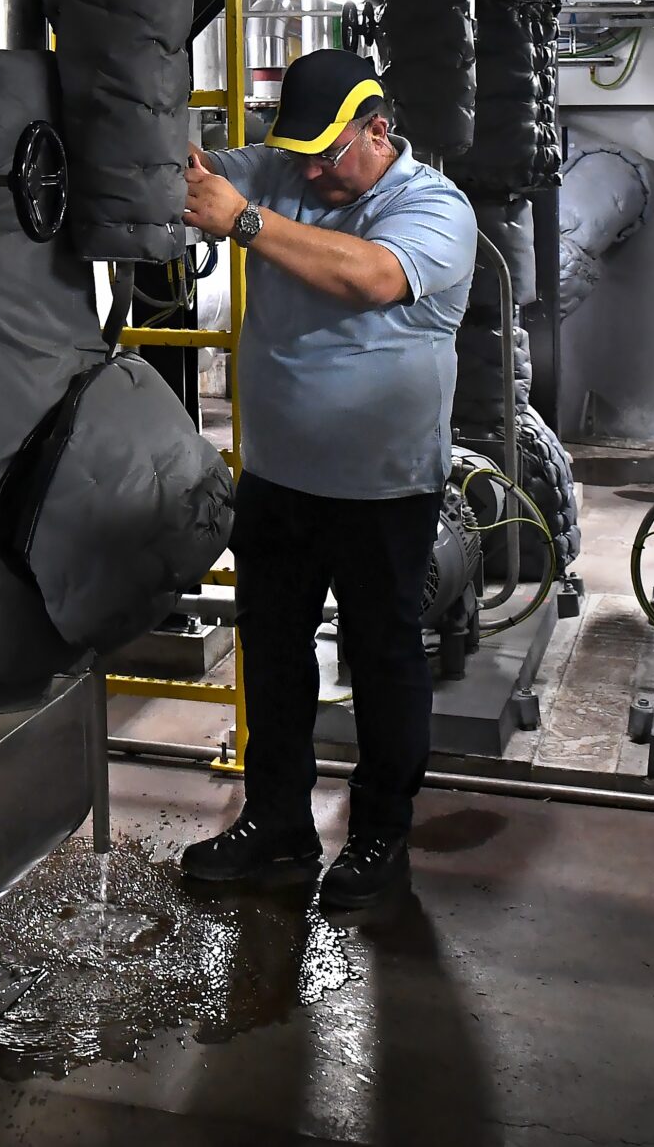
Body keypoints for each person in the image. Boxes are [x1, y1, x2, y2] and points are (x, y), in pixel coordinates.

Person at [175, 47, 478, 910]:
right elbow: (189, 178)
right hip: (278, 480)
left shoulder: (434, 208)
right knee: (271, 658)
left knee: (381, 661)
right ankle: (277, 823)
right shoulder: (283, 167)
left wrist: (246, 223)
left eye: (326, 154)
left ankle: (381, 834)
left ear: (377, 130)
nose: (308, 170)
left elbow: (372, 276)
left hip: (384, 491)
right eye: (298, 153)